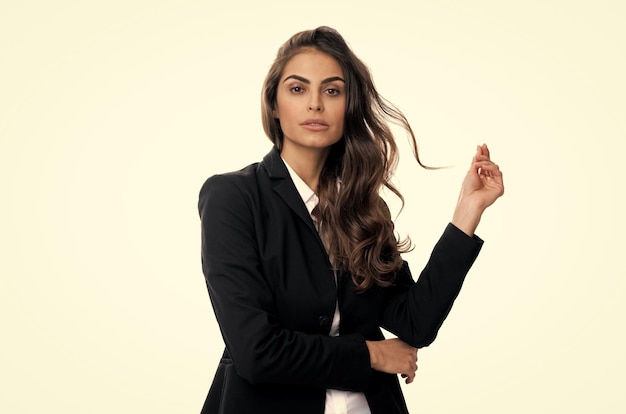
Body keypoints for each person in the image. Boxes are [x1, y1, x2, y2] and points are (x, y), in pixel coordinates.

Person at [198, 26, 504, 414]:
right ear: (273, 104)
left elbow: (414, 324)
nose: (314, 104)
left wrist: (466, 215)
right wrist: (372, 355)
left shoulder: (364, 206)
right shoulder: (233, 198)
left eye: (332, 90)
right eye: (297, 89)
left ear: (350, 105)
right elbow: (257, 352)